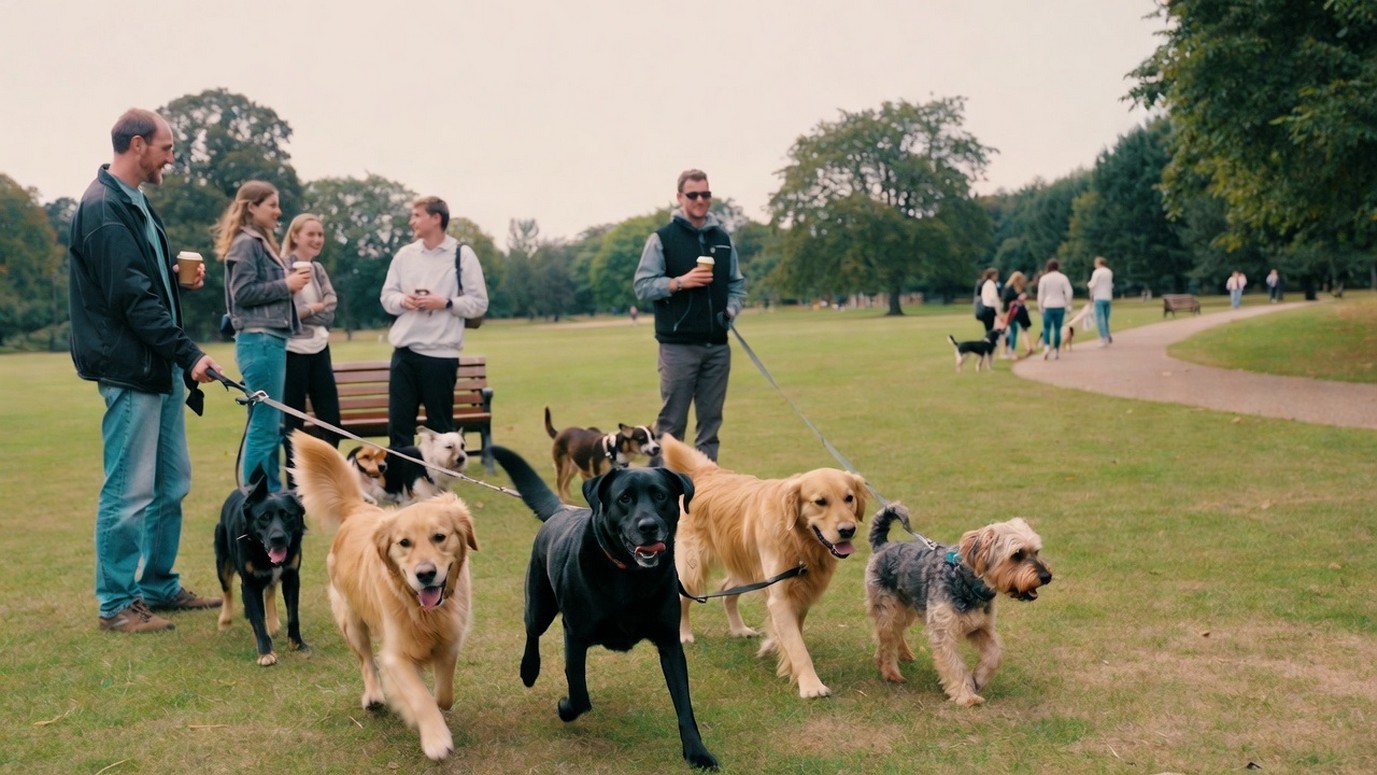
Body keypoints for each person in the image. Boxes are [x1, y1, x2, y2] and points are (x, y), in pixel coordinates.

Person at [68, 108, 224, 633]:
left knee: (171, 484)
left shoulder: (136, 204)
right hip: (131, 371)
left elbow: (142, 286)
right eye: (167, 147)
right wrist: (190, 353)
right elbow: (132, 302)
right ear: (137, 145)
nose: (171, 157)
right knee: (128, 491)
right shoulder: (104, 209)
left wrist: (178, 283)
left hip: (157, 369)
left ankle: (158, 585)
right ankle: (116, 603)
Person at [633, 169, 747, 462]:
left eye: (705, 194)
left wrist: (731, 309)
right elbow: (642, 286)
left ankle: (706, 498)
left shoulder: (723, 239)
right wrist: (680, 282)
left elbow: (737, 283)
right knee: (671, 427)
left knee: (710, 427)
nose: (700, 200)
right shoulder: (662, 238)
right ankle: (659, 496)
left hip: (717, 347)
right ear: (680, 197)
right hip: (678, 347)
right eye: (693, 194)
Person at [216, 180, 308, 491]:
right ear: (252, 207)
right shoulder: (246, 243)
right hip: (260, 341)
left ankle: (272, 494)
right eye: (272, 204)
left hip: (269, 341)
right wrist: (288, 285)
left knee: (270, 425)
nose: (278, 211)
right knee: (265, 427)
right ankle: (253, 500)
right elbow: (242, 293)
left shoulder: (259, 242)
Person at [380, 196, 489, 449]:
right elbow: (387, 297)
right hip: (404, 352)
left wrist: (446, 303)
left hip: (441, 355)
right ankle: (401, 486)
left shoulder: (462, 255)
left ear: (436, 218)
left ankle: (439, 486)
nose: (411, 221)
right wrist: (402, 301)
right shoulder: (404, 255)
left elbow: (479, 303)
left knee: (440, 428)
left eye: (417, 215)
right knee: (399, 427)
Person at [281, 214, 342, 482]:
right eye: (311, 234)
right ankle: (295, 486)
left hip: (319, 350)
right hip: (291, 352)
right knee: (292, 427)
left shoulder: (318, 270)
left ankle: (324, 480)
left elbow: (330, 308)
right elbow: (286, 313)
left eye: (321, 234)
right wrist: (313, 309)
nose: (317, 239)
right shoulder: (281, 267)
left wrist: (308, 311)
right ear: (295, 236)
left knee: (332, 423)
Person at [1036, 258, 1074, 360]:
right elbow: (1069, 292)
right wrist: (1068, 303)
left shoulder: (1044, 278)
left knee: (1046, 328)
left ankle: (1047, 347)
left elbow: (1040, 294)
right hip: (1060, 305)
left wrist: (1040, 306)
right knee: (1057, 328)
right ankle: (1056, 350)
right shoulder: (1063, 278)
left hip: (1047, 305)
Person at [1000, 271, 1035, 359]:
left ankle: (1022, 349)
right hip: (1011, 313)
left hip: (1019, 312)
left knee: (1018, 330)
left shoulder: (1016, 289)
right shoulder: (1009, 289)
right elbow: (1006, 301)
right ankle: (1012, 351)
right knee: (1013, 331)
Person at [1087, 256, 1114, 346]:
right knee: (1106, 318)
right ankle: (1107, 333)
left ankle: (1103, 338)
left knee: (1100, 319)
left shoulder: (1097, 272)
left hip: (1099, 297)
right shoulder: (1109, 272)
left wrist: (1088, 284)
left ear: (1098, 263)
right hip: (1108, 297)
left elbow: (1093, 284)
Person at [975, 268, 1001, 332]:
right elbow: (993, 298)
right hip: (990, 310)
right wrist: (999, 311)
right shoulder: (991, 284)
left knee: (988, 330)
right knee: (991, 330)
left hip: (985, 309)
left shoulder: (985, 284)